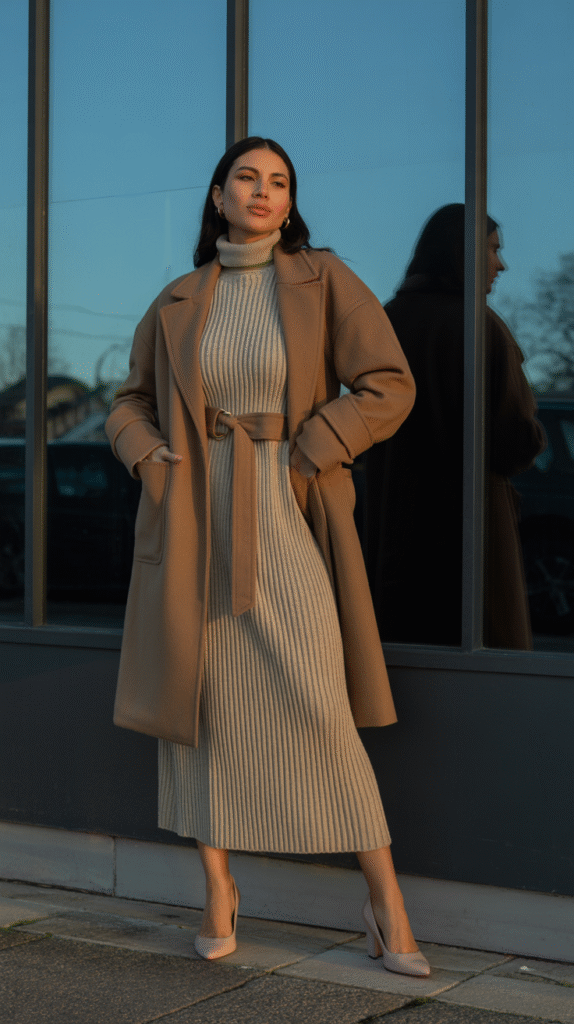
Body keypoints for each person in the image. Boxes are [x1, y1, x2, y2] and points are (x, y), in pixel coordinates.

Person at [106, 136, 429, 976]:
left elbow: (390, 383)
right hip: (193, 518)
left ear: (290, 204)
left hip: (287, 507)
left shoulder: (325, 280)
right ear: (217, 196)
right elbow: (128, 401)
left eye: (278, 182)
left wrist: (309, 450)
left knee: (318, 701)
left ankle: (384, 901)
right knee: (202, 700)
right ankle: (218, 889)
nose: (262, 191)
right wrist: (147, 454)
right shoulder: (179, 298)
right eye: (246, 178)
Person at [363, 203, 545, 648]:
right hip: (469, 539)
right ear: (462, 252)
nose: (501, 264)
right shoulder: (481, 327)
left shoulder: (386, 322)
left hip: (394, 536)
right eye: (493, 249)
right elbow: (515, 442)